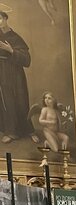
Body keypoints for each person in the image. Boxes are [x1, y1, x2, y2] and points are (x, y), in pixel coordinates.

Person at [0, 10, 33, 143]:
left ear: (6, 19)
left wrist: (11, 50)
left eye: (0, 19)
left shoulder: (15, 37)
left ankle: (16, 131)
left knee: (14, 100)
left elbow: (27, 60)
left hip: (13, 73)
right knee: (3, 101)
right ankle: (6, 128)